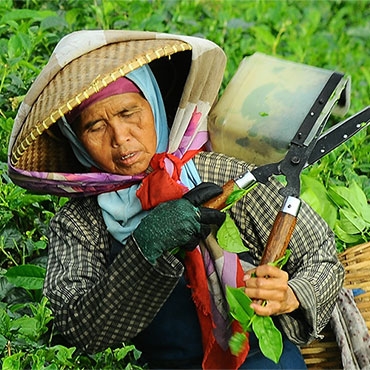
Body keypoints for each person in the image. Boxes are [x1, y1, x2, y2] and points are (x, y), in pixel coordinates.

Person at [8, 30, 344, 369]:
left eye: (128, 112)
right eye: (95, 126)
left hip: (263, 361)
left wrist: (293, 294)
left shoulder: (215, 173)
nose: (120, 137)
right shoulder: (80, 223)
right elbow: (79, 328)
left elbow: (318, 252)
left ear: (153, 104)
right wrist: (145, 246)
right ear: (76, 140)